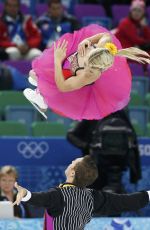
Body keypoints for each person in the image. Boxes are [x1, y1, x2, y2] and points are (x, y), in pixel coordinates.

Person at [23, 24, 150, 120]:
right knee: (33, 74)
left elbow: (62, 87)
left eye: (90, 67)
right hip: (68, 63)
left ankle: (42, 100)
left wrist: (57, 60)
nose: (88, 66)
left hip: (68, 80)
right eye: (89, 61)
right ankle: (42, 92)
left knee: (35, 75)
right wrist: (88, 41)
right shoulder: (101, 47)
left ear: (98, 69)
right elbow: (106, 35)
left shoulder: (87, 75)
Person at [13, 155, 150, 230]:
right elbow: (126, 202)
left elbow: (39, 198)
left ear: (72, 172)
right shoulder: (93, 197)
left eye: (73, 162)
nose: (71, 161)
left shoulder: (58, 195)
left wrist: (25, 194)